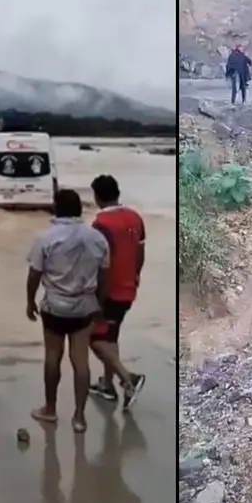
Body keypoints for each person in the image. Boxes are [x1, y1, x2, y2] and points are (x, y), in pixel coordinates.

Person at [26, 189, 109, 433]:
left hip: (54, 306)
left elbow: (34, 274)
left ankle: (50, 410)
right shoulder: (96, 238)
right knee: (80, 360)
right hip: (84, 307)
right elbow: (104, 275)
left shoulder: (45, 237)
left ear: (55, 208)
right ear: (80, 209)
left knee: (53, 357)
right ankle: (80, 418)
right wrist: (100, 304)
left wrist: (29, 301)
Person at [87, 175, 147, 410]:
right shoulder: (135, 217)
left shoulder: (100, 226)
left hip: (109, 292)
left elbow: (99, 265)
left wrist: (95, 296)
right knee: (110, 336)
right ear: (117, 192)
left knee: (94, 338)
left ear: (97, 197)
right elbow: (140, 253)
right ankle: (107, 385)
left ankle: (128, 378)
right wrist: (136, 276)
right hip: (129, 288)